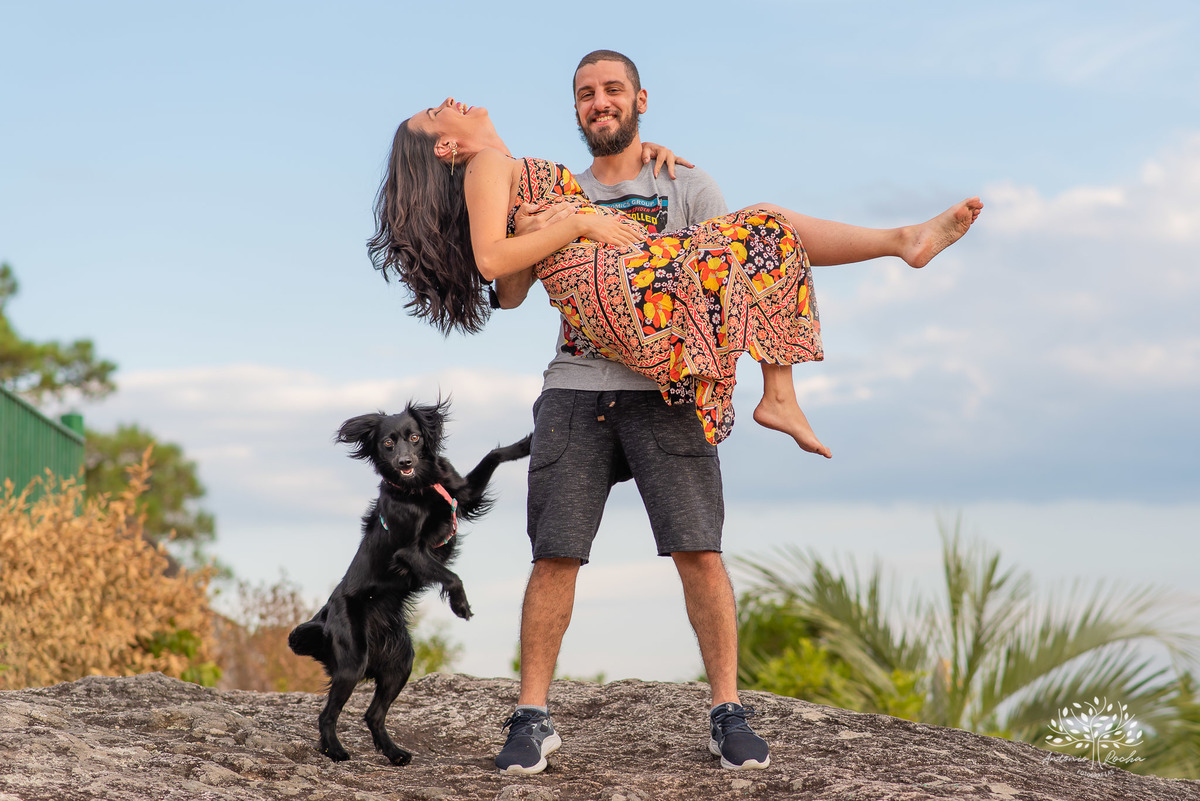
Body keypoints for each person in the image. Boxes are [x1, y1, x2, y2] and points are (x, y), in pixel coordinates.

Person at [367, 61, 982, 774]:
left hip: (658, 363)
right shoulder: (511, 173)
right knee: (555, 552)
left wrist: (565, 223)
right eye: (586, 94)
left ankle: (728, 712)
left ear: (639, 102)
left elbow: (733, 277)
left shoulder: (680, 182)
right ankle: (531, 717)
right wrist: (574, 222)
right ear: (447, 147)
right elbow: (501, 281)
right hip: (585, 372)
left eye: (611, 91)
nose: (599, 102)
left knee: (700, 547)